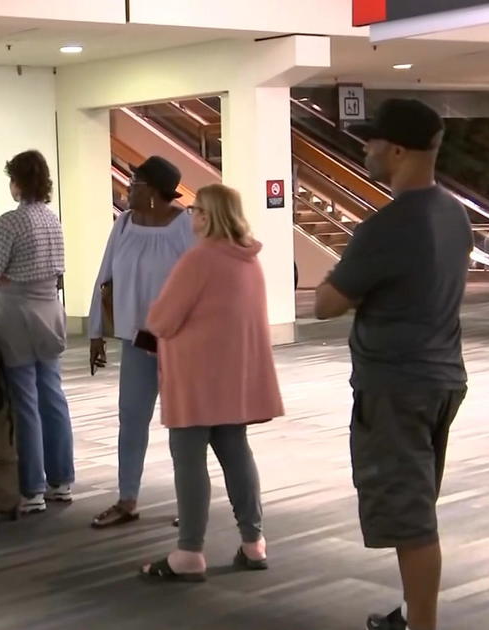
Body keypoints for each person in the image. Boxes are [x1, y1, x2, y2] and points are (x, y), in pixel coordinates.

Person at [315, 99, 471, 630]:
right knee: (417, 502)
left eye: (372, 139)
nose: (364, 147)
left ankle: (421, 623)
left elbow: (325, 302)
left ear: (398, 150)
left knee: (410, 519)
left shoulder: (388, 225)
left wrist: (347, 283)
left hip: (397, 387)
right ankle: (410, 612)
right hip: (442, 377)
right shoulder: (454, 213)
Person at [139, 183, 283, 582]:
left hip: (195, 375)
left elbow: (162, 319)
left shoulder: (199, 260)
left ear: (209, 215)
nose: (192, 216)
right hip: (233, 375)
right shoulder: (249, 260)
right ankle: (254, 543)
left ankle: (189, 552)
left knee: (189, 461)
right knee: (236, 452)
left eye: (197, 209)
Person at [87, 156, 195, 529]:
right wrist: (96, 330)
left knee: (184, 426)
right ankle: (127, 498)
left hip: (179, 342)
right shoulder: (125, 225)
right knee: (131, 419)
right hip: (135, 339)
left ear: (151, 191)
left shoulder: (186, 227)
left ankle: (190, 502)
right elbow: (106, 275)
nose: (127, 189)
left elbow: (201, 283)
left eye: (133, 183)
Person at [0, 149, 74, 515]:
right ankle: (61, 481)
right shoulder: (53, 220)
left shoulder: (8, 223)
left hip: (16, 316)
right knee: (52, 396)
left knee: (25, 402)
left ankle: (32, 487)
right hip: (50, 312)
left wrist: (8, 277)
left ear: (16, 182)